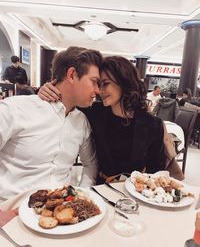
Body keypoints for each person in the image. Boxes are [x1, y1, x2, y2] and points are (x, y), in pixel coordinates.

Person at [39, 55, 166, 184]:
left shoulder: (152, 125)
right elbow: (66, 101)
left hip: (135, 192)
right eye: (98, 85)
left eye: (105, 84)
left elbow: (157, 169)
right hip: (101, 188)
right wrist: (47, 89)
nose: (100, 91)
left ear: (123, 82)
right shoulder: (94, 112)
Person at [0, 46, 103, 203]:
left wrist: (82, 196)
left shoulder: (82, 120)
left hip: (61, 211)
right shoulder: (15, 109)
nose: (98, 90)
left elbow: (90, 164)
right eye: (94, 82)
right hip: (11, 211)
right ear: (72, 75)